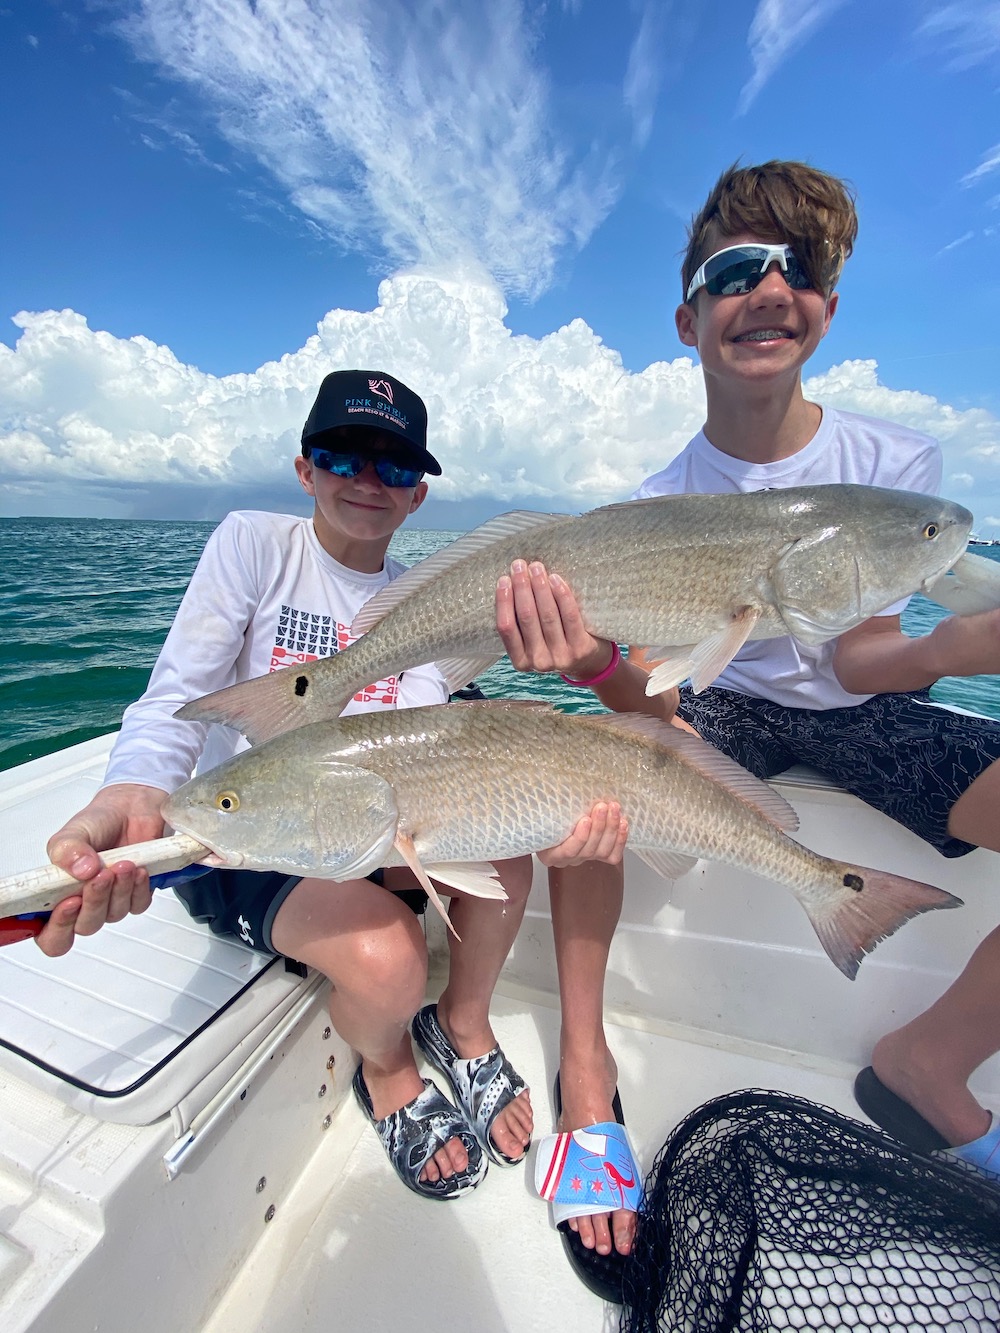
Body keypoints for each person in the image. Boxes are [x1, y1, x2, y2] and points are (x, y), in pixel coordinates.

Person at [496, 159, 1000, 1296]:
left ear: (828, 306)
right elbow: (660, 698)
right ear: (688, 316)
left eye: (802, 268)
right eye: (735, 270)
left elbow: (865, 653)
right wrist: (590, 661)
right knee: (596, 781)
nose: (770, 289)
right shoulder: (650, 504)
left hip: (865, 704)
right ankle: (586, 1071)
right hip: (710, 696)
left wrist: (943, 652)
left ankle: (929, 1058)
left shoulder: (891, 472)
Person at [38, 368, 547, 1202]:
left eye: (396, 467)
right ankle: (386, 1067)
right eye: (343, 455)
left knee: (510, 859)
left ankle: (462, 1023)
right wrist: (131, 791)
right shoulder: (252, 543)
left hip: (364, 822)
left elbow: (418, 735)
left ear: (419, 497)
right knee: (389, 962)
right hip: (247, 836)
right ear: (305, 468)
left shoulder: (418, 603)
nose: (368, 480)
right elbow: (179, 695)